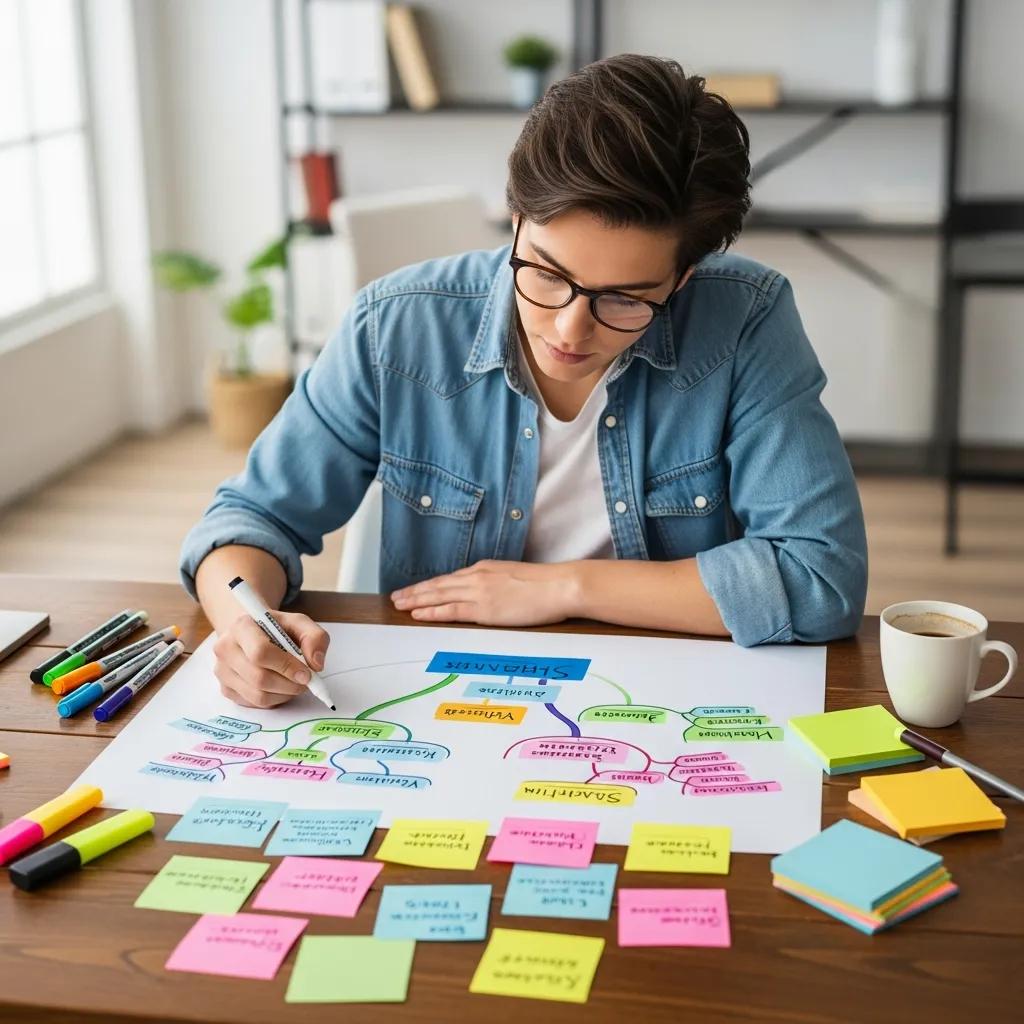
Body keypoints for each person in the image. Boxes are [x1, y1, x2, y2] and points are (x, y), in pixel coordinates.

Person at [180, 54, 867, 710]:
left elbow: (819, 577)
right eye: (545, 273)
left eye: (624, 298)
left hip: (658, 703)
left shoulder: (744, 319)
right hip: (440, 699)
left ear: (682, 279)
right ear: (514, 221)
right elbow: (251, 522)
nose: (570, 330)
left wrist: (566, 587)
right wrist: (245, 624)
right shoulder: (396, 327)